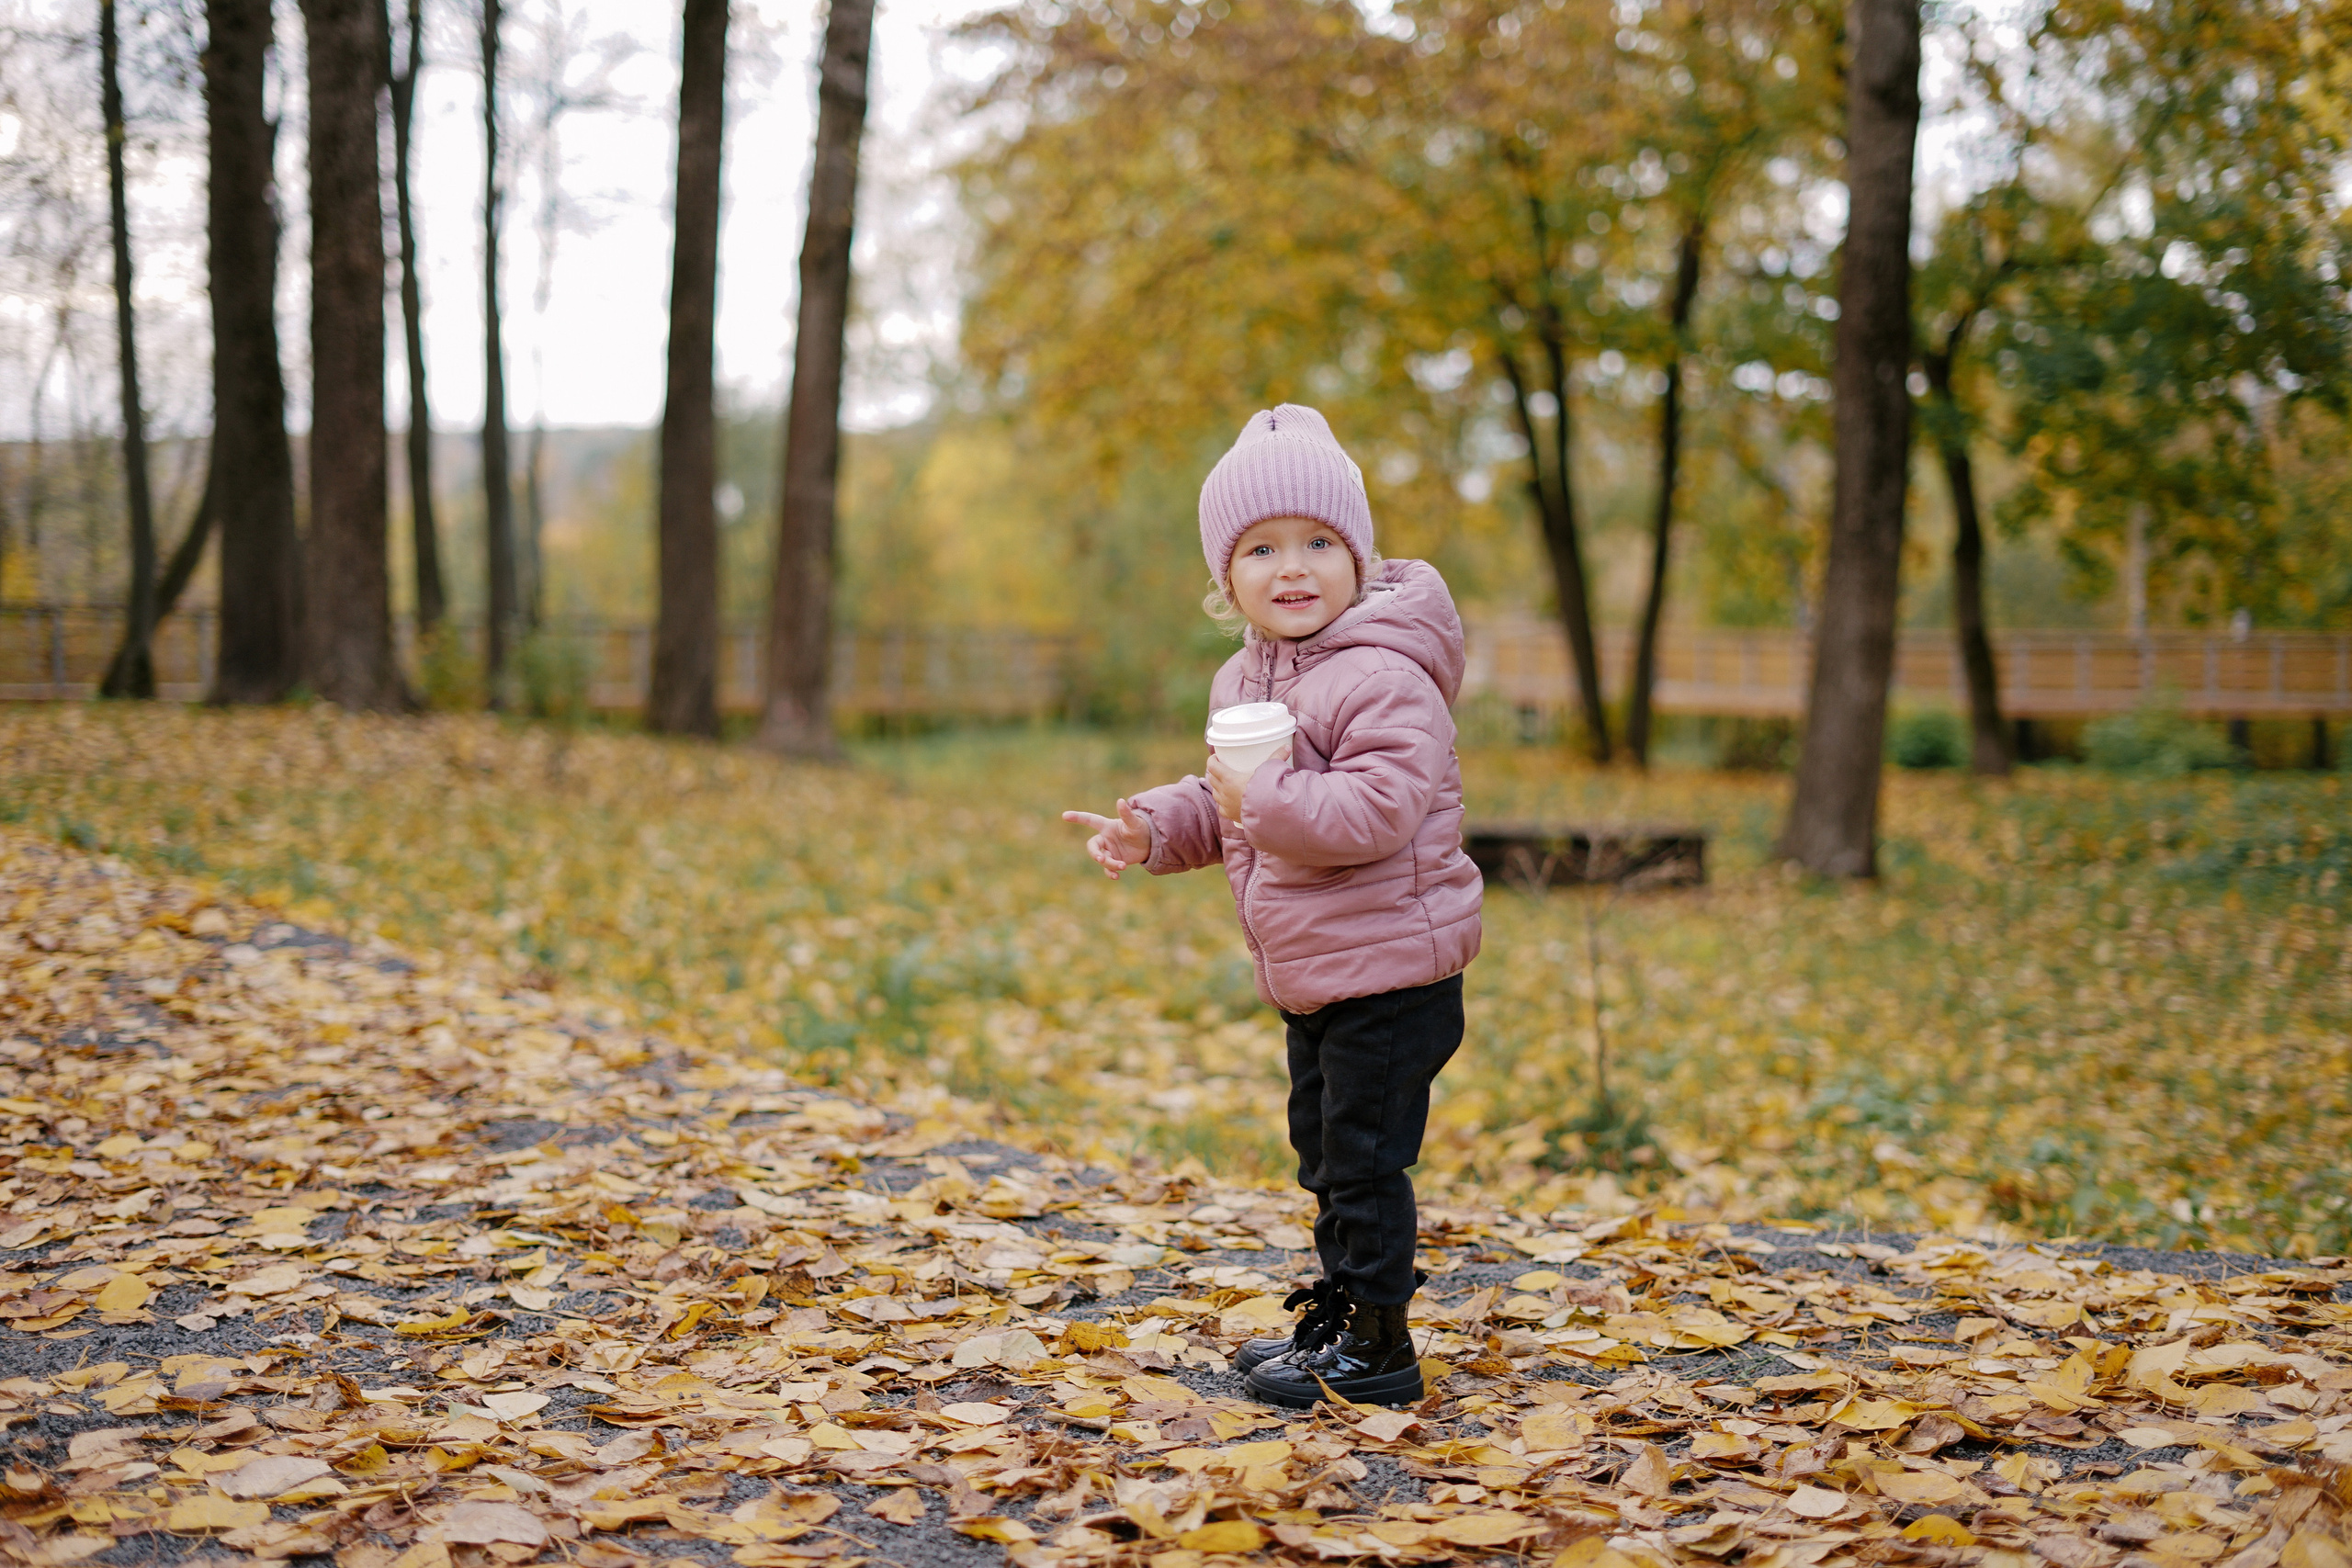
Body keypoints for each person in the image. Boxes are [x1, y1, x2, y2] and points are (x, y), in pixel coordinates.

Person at [1060, 404, 1484, 1408]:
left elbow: (1376, 811)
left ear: (1357, 557)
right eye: (1261, 548)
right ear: (1226, 580)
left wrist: (1267, 800)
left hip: (1393, 969)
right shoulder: (1246, 676)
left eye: (1318, 543)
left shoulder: (1382, 676)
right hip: (1317, 971)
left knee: (1367, 1170)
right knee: (1328, 1161)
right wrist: (1154, 829)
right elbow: (1231, 804)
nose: (1291, 566)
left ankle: (1382, 1349)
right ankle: (1338, 1316)